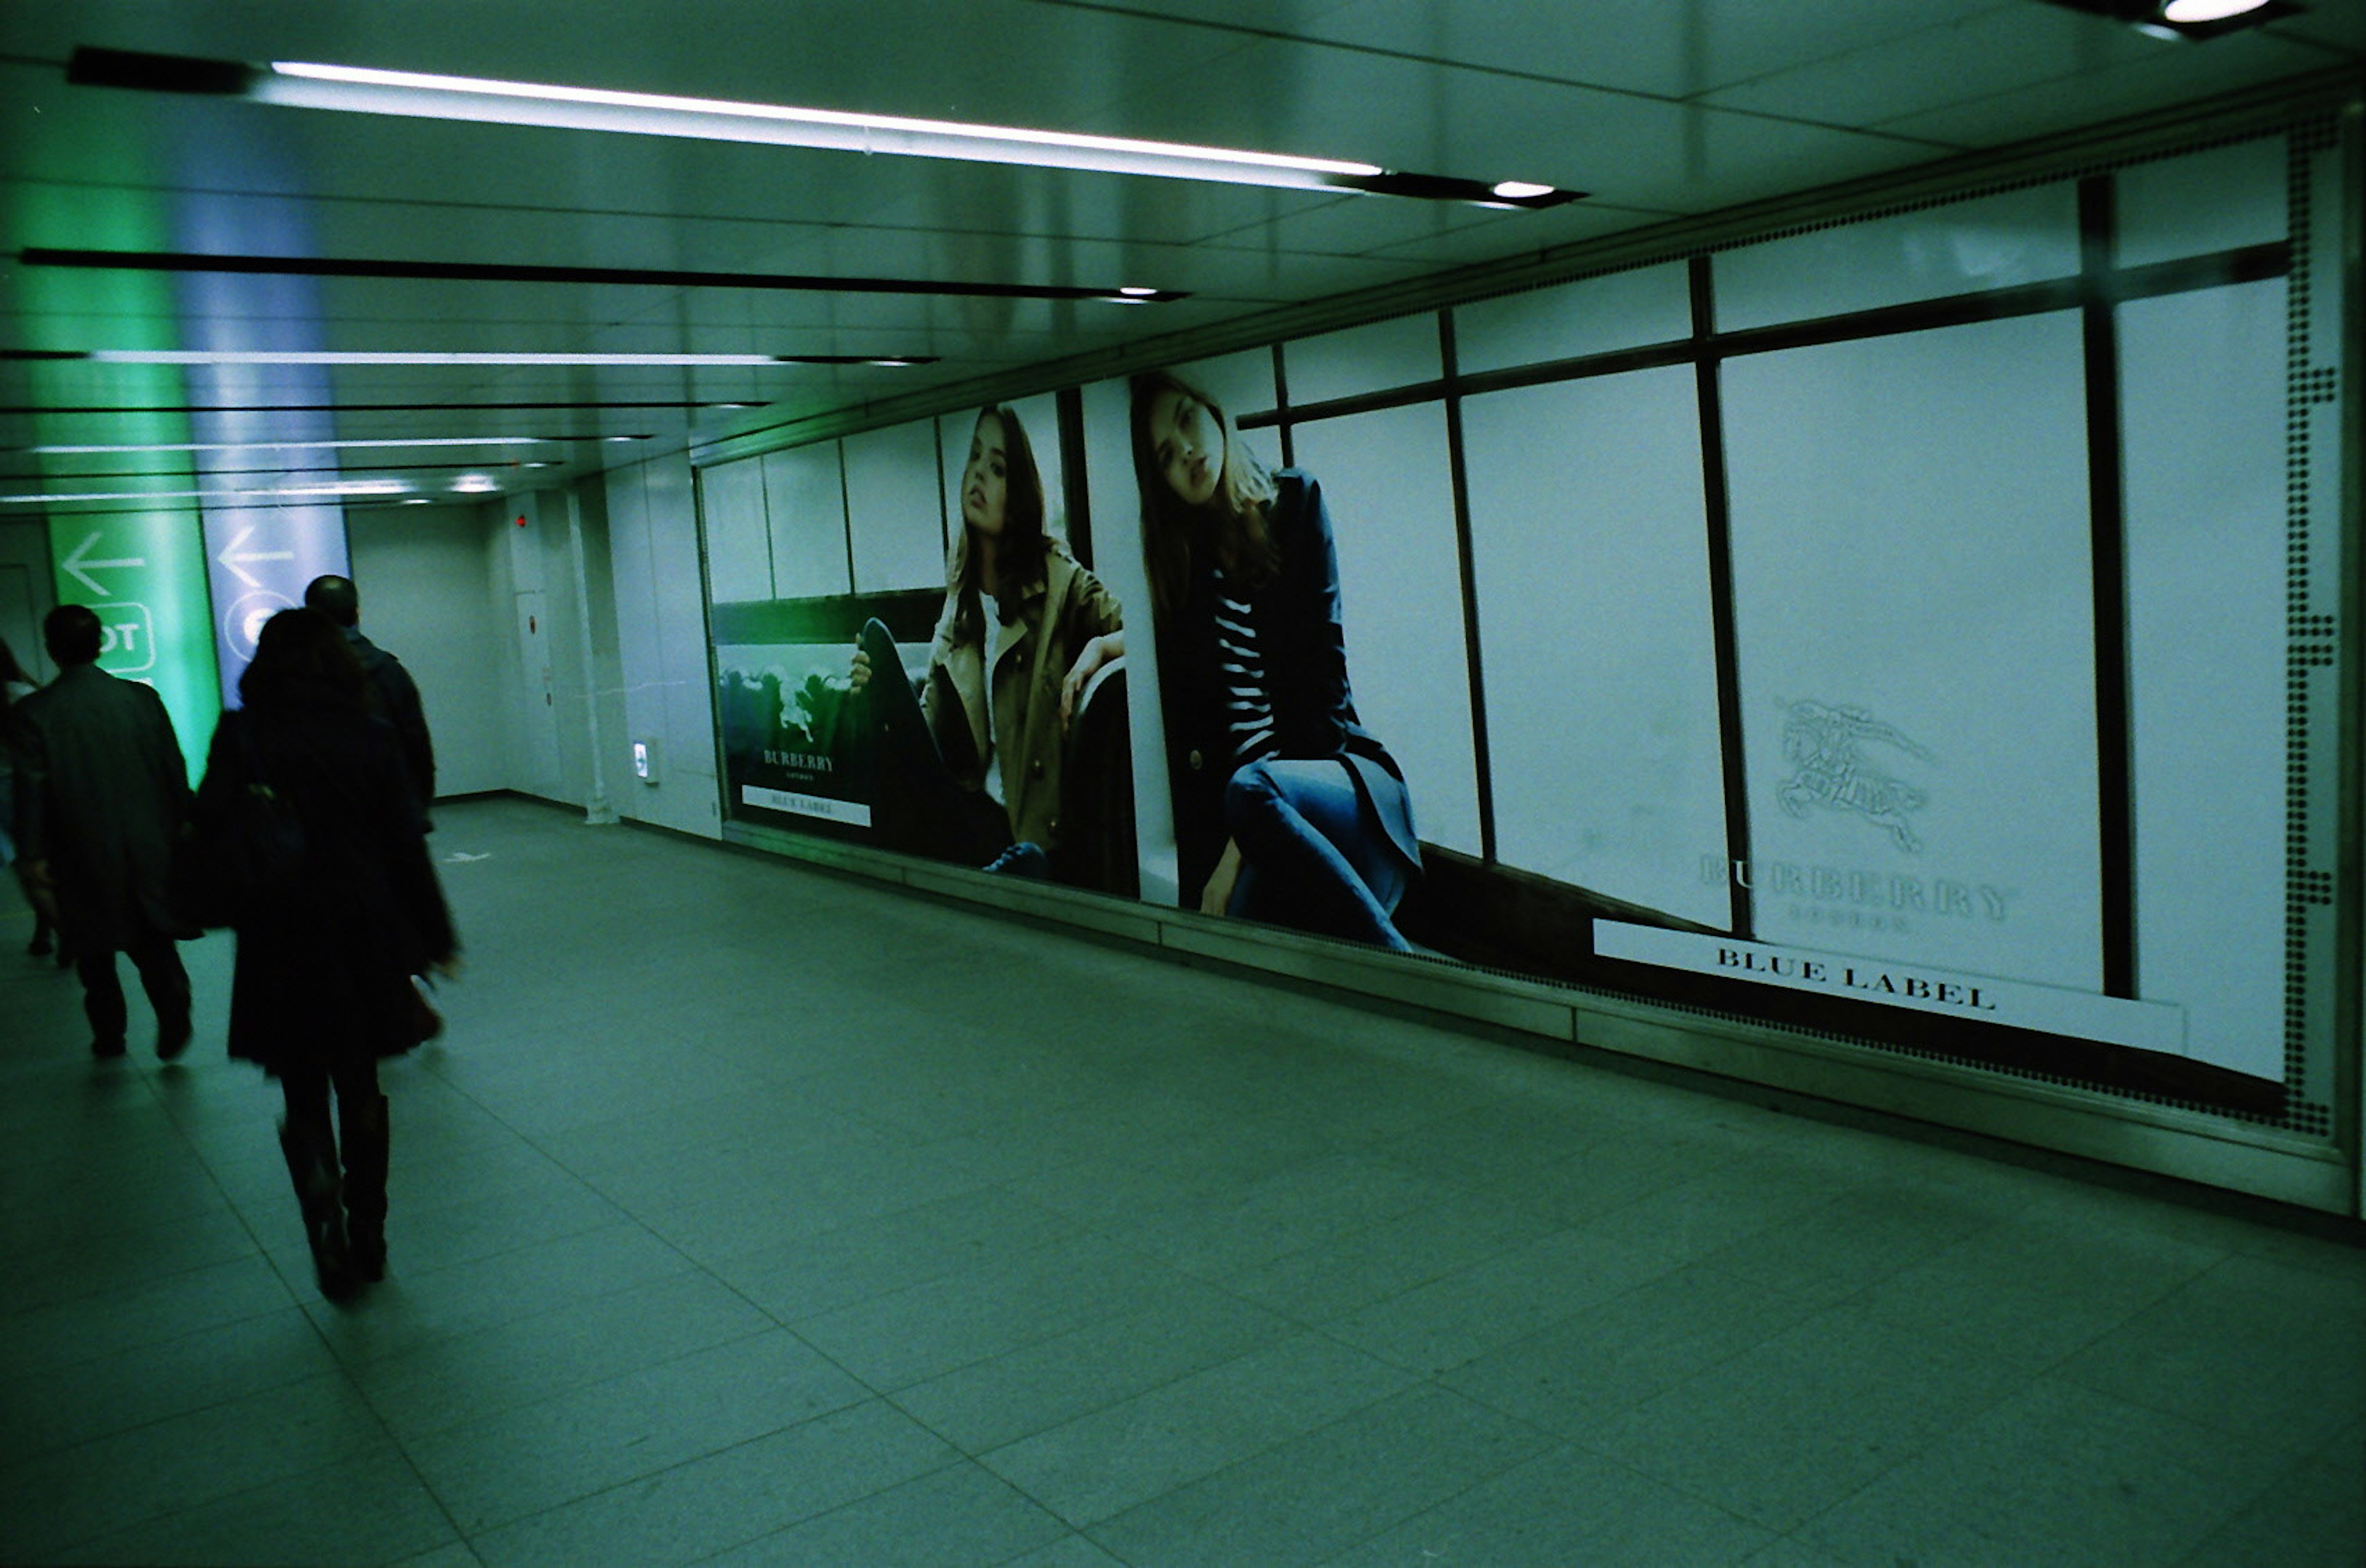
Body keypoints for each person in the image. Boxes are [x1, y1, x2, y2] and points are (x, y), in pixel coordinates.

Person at [193, 608, 458, 1301]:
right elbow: (406, 845)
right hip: (360, 930)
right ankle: (369, 1227)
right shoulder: (367, 735)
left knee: (301, 1084)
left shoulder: (241, 732)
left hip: (277, 933)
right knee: (360, 1081)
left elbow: (209, 823)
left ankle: (321, 1211)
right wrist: (436, 937)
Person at [1129, 370, 1421, 952]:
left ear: (1212, 411)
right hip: (1263, 826)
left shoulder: (1294, 503)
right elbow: (1199, 748)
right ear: (1162, 485)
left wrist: (1236, 849)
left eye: (1187, 419)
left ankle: (1407, 967)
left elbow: (1322, 707)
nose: (1186, 451)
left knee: (1248, 789)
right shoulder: (1184, 576)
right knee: (1230, 939)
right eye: (1165, 454)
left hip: (1338, 789)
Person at [850, 404, 1124, 876]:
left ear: (1017, 495)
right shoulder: (960, 601)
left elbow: (1148, 631)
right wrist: (872, 696)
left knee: (1024, 858)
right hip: (967, 814)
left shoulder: (1061, 581)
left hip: (1030, 829)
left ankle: (1008, 870)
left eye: (996, 468)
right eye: (974, 458)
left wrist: (1100, 648)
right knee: (876, 645)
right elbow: (927, 731)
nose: (977, 474)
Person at [8, 606, 195, 1055]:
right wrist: (182, 826)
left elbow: (31, 790)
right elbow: (172, 769)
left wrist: (32, 854)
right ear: (100, 643)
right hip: (147, 843)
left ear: (52, 649)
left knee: (94, 951)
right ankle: (173, 1013)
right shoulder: (141, 699)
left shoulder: (34, 713)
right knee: (153, 940)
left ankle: (109, 1033)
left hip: (79, 850)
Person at [303, 574, 435, 828]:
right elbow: (415, 741)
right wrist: (418, 802)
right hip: (385, 807)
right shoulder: (388, 671)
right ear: (357, 613)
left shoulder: (286, 675)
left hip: (315, 816)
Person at [0, 635, 59, 959]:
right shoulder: (26, 694)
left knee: (26, 869)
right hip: (35, 786)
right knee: (44, 862)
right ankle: (48, 929)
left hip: (4, 792)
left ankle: (61, 932)